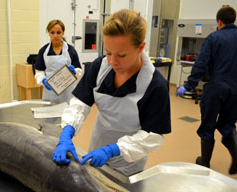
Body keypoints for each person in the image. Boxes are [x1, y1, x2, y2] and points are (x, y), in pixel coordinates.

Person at [52, 9, 171, 176]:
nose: (113, 62)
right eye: (108, 52)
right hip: (98, 146)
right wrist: (67, 132)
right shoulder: (99, 67)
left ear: (140, 47)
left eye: (121, 55)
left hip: (130, 158)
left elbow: (153, 135)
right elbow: (80, 104)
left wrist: (113, 150)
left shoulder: (154, 85)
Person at [176, 6, 237, 175]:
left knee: (207, 126)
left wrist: (188, 86)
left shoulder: (214, 38)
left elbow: (201, 64)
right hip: (235, 91)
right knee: (227, 124)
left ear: (219, 22)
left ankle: (205, 162)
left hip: (215, 88)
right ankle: (236, 155)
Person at [34, 19, 82, 104]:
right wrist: (43, 80)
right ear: (48, 33)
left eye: (58, 32)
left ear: (63, 33)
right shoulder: (43, 51)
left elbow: (79, 70)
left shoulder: (70, 50)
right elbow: (39, 72)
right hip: (50, 91)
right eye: (52, 33)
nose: (55, 36)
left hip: (68, 91)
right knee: (49, 115)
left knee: (67, 116)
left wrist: (75, 72)